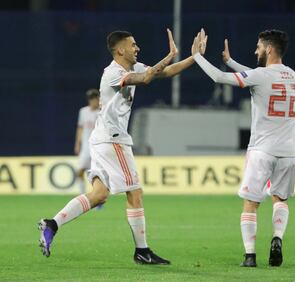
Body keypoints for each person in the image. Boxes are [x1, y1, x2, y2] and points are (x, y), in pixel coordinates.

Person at [38, 28, 207, 264]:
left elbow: (165, 73)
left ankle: (52, 224)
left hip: (102, 138)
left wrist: (195, 57)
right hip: (112, 139)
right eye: (133, 44)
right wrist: (169, 55)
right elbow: (148, 77)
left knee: (98, 195)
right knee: (135, 192)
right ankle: (142, 251)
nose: (137, 48)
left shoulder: (132, 67)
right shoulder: (113, 73)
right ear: (120, 50)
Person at [192, 29, 295, 267]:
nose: (255, 50)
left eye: (259, 47)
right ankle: (277, 238)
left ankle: (250, 256)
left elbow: (220, 78)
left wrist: (197, 57)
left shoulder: (260, 75)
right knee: (280, 199)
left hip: (262, 149)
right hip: (289, 151)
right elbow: (256, 76)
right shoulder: (292, 75)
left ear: (269, 49)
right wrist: (230, 62)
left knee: (251, 203)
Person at [74, 89, 100, 194]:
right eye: (91, 99)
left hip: (97, 147)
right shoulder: (83, 111)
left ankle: (98, 196)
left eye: (95, 98)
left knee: (97, 174)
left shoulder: (102, 112)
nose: (93, 101)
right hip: (86, 146)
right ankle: (82, 193)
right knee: (80, 171)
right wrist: (77, 143)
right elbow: (80, 128)